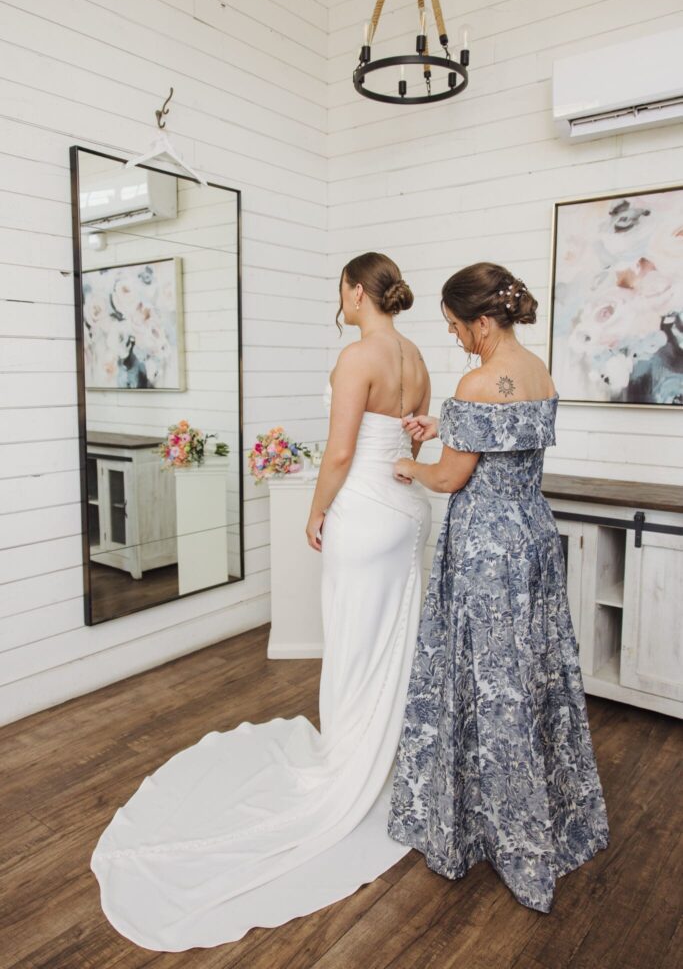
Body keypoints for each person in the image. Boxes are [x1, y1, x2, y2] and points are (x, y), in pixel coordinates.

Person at [90, 252, 433, 951]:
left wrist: (315, 509)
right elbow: (411, 431)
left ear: (353, 290)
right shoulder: (416, 354)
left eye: (338, 287)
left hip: (362, 511)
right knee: (392, 640)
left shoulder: (355, 355)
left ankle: (349, 766)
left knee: (352, 641)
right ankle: (386, 758)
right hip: (406, 511)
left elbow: (338, 453)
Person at [387, 261, 609, 913]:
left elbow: (452, 479)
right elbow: (496, 443)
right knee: (527, 676)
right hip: (534, 537)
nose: (455, 337)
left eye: (456, 327)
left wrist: (409, 461)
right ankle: (538, 813)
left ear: (481, 319)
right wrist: (445, 429)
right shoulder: (537, 369)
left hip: (486, 551)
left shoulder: (477, 381)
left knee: (487, 681)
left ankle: (492, 829)